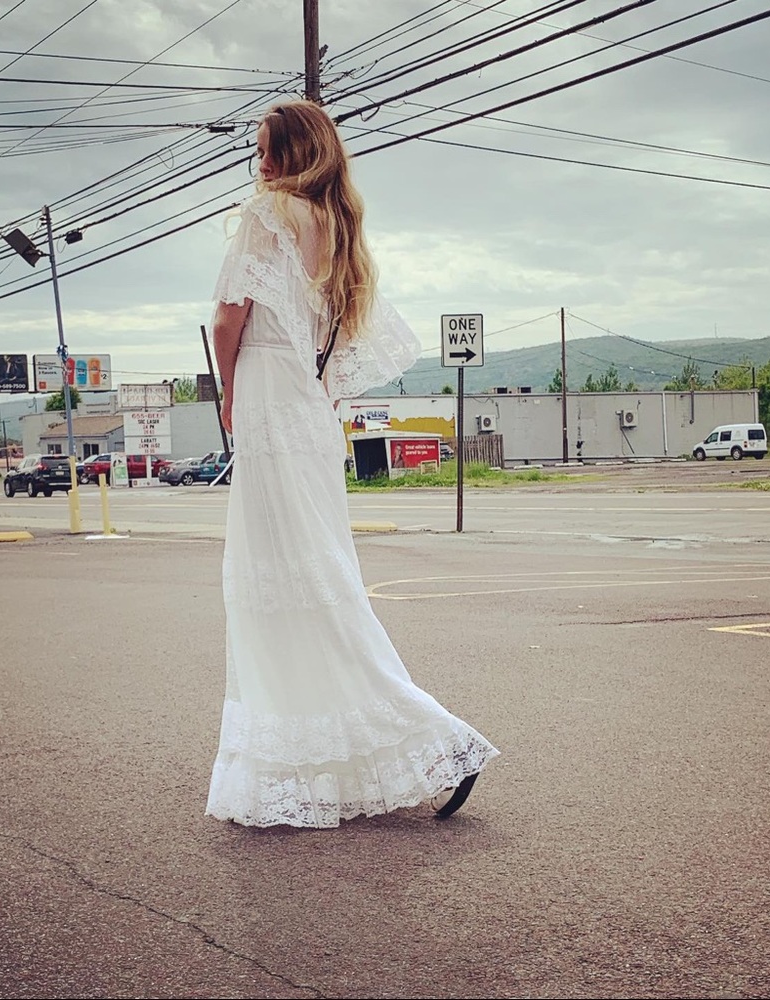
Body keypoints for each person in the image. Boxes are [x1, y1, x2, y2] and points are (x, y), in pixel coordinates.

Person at [206, 100, 498, 829]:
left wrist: (228, 400)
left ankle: (438, 738)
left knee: (290, 582)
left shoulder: (265, 212)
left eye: (267, 148)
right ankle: (324, 764)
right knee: (316, 579)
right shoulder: (339, 227)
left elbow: (227, 319)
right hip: (309, 407)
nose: (259, 161)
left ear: (290, 153)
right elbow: (339, 346)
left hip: (273, 398)